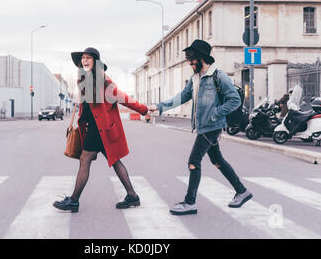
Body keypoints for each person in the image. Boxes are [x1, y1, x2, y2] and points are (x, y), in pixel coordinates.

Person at [149, 40, 253, 215]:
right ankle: (242, 191)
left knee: (193, 162)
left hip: (211, 126)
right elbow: (182, 97)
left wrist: (216, 113)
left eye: (192, 59)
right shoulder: (195, 78)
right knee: (217, 160)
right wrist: (160, 107)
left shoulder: (218, 76)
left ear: (202, 58)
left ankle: (190, 202)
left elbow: (234, 99)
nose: (189, 63)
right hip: (204, 126)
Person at [53, 47, 149, 213]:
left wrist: (144, 110)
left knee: (85, 159)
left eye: (89, 58)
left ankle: (74, 200)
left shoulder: (104, 83)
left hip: (100, 130)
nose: (85, 60)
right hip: (97, 129)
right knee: (115, 161)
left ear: (95, 62)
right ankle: (132, 196)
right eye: (83, 58)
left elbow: (124, 98)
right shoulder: (85, 82)